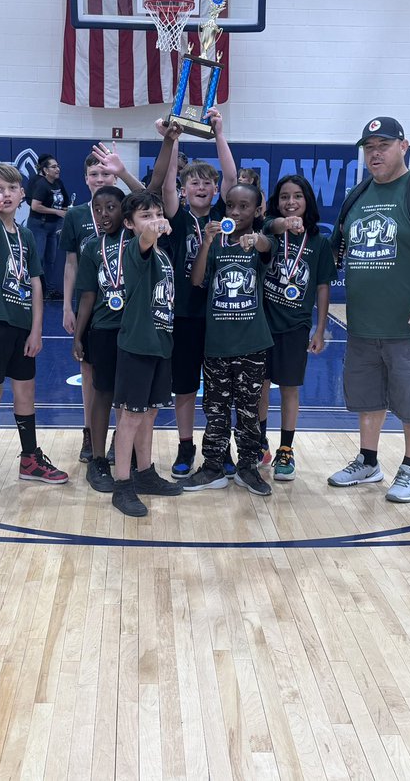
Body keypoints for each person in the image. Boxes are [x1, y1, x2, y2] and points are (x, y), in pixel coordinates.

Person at [328, 117, 410, 503]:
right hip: (362, 323)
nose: (375, 154)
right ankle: (368, 462)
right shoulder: (357, 195)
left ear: (403, 146)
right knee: (367, 398)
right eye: (369, 148)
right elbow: (337, 250)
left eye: (383, 145)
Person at [147, 110, 237, 480]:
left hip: (219, 317)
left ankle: (221, 447)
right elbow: (166, 183)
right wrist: (175, 136)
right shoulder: (177, 216)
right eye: (194, 184)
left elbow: (232, 177)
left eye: (207, 183)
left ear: (215, 191)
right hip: (182, 315)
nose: (201, 187)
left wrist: (218, 133)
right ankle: (186, 447)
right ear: (185, 191)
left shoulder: (223, 214)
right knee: (183, 388)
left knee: (220, 392)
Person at [0, 163, 67, 499]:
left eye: (11, 188)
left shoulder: (26, 235)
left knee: (26, 393)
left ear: (23, 193)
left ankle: (30, 459)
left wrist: (37, 329)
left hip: (23, 325)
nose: (5, 195)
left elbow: (36, 282)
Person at [183, 183, 277, 497]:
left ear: (257, 210)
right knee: (215, 408)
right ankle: (212, 466)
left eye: (244, 207)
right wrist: (207, 243)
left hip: (251, 345)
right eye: (231, 206)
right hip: (217, 345)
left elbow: (267, 246)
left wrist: (258, 239)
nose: (236, 212)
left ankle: (248, 467)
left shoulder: (259, 243)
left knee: (249, 410)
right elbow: (197, 281)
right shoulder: (217, 242)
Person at [61, 145, 145, 463]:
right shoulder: (76, 215)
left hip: (126, 315)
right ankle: (89, 433)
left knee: (120, 385)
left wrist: (123, 172)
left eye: (105, 173)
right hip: (95, 309)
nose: (99, 178)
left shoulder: (130, 219)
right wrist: (68, 309)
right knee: (92, 378)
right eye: (94, 174)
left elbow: (152, 199)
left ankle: (118, 441)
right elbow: (71, 264)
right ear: (85, 178)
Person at [258, 175, 337, 481]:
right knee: (260, 388)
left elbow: (322, 287)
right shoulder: (270, 231)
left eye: (297, 197)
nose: (291, 202)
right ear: (276, 202)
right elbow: (271, 226)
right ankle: (260, 444)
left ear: (308, 201)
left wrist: (320, 329)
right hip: (262, 324)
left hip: (296, 326)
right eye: (284, 197)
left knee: (290, 389)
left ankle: (286, 450)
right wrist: (284, 223)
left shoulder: (319, 242)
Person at [109, 190, 182, 517]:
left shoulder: (163, 255)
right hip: (137, 345)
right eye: (144, 216)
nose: (153, 220)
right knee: (130, 416)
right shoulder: (135, 250)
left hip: (160, 344)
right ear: (129, 224)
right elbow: (147, 237)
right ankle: (122, 483)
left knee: (150, 413)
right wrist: (155, 227)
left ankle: (145, 472)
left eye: (156, 213)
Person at [72, 185, 128, 493]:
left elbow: (155, 188)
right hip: (104, 330)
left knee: (129, 398)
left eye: (111, 207)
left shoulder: (136, 240)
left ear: (125, 210)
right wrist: (78, 336)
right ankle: (97, 459)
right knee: (102, 395)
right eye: (98, 209)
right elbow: (88, 295)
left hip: (135, 333)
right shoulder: (92, 247)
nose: (104, 214)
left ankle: (124, 453)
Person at [27, 154, 69, 300]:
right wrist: (57, 211)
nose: (58, 169)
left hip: (53, 225)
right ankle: (34, 290)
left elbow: (65, 202)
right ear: (45, 170)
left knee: (50, 259)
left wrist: (66, 210)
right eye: (53, 166)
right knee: (37, 258)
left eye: (58, 166)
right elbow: (35, 206)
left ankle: (50, 290)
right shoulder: (41, 184)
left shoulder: (58, 183)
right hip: (39, 225)